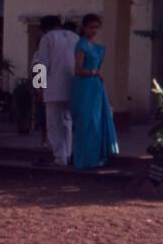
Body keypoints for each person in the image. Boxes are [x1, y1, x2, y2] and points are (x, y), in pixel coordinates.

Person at [70, 13, 119, 170]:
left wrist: (96, 75)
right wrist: (93, 73)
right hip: (85, 86)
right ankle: (84, 159)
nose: (94, 30)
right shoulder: (81, 45)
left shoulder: (98, 48)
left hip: (97, 87)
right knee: (86, 121)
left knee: (98, 121)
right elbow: (78, 70)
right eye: (91, 27)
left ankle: (96, 157)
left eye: (96, 27)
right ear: (84, 27)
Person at [33, 15, 79, 166]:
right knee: (67, 121)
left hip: (53, 87)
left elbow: (42, 64)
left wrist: (39, 87)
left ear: (44, 28)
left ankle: (60, 157)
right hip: (73, 86)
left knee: (54, 124)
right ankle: (67, 153)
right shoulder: (75, 37)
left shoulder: (47, 38)